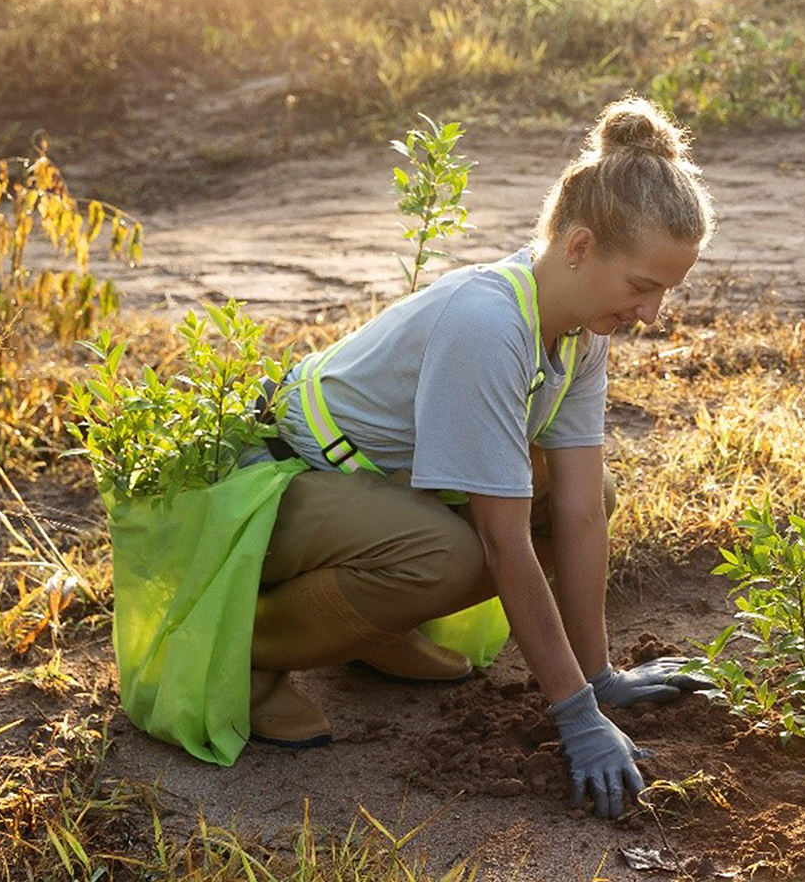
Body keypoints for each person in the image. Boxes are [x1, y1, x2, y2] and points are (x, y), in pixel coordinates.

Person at [244, 97, 714, 820]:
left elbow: (582, 511)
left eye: (665, 292)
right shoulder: (487, 323)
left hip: (368, 488)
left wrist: (600, 677)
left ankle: (368, 631)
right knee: (452, 555)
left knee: (582, 495)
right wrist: (574, 715)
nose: (650, 314)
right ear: (581, 247)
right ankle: (247, 657)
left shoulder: (578, 335)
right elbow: (502, 542)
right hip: (278, 481)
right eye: (642, 286)